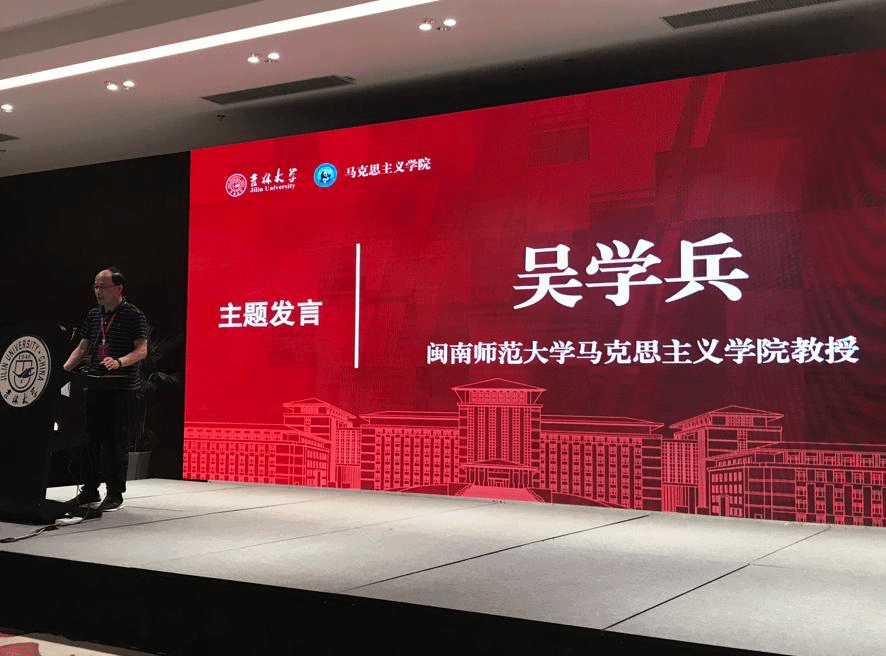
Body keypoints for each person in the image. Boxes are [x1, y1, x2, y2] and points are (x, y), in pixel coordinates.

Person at [63, 267, 148, 511]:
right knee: (90, 440)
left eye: (103, 287)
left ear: (118, 289)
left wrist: (119, 361)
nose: (98, 291)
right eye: (95, 286)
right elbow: (82, 349)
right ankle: (89, 490)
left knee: (115, 442)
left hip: (121, 388)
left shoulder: (133, 315)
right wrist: (62, 372)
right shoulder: (93, 315)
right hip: (95, 385)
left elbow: (142, 350)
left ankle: (115, 494)